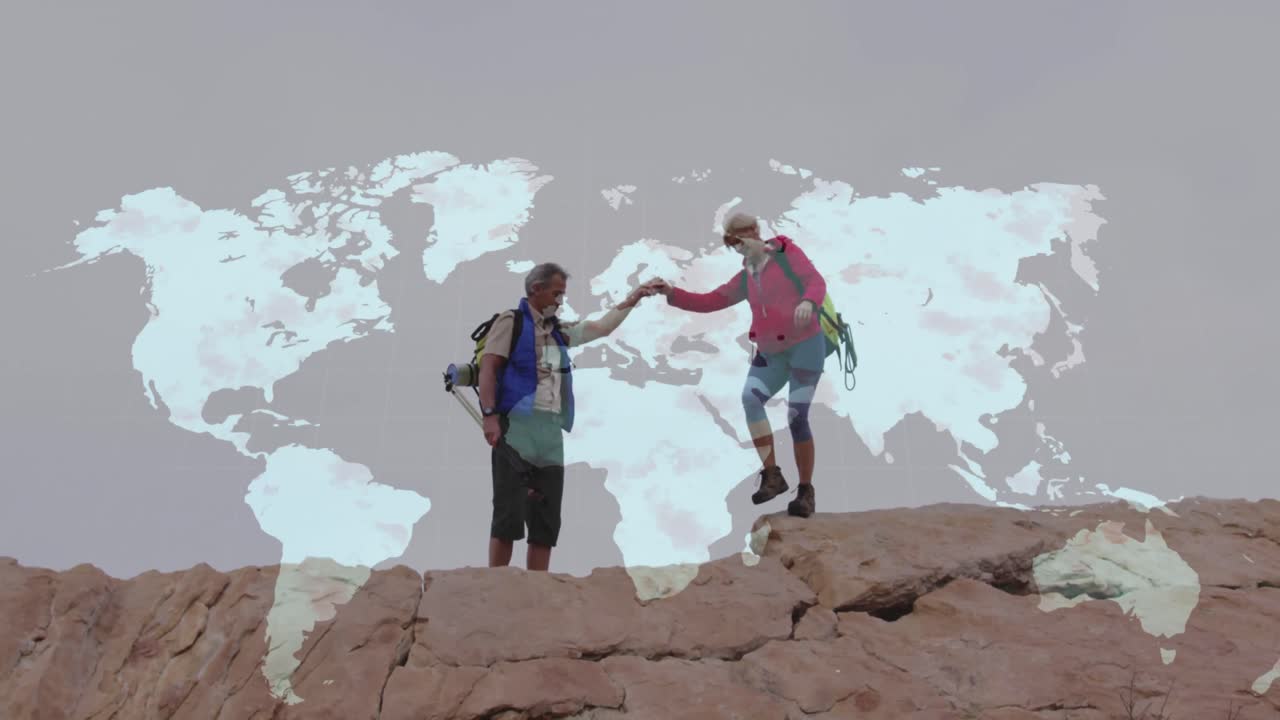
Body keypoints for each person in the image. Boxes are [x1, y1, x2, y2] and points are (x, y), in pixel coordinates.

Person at [645, 212, 828, 518]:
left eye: (742, 239)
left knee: (797, 416)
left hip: (805, 347)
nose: (739, 247)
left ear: (755, 231)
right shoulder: (747, 275)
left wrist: (809, 302)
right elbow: (711, 301)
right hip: (771, 352)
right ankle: (773, 476)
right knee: (750, 398)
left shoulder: (785, 253)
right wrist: (671, 292)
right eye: (733, 244)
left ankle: (805, 491)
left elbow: (815, 281)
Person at [477, 262, 656, 571]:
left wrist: (634, 298)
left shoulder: (558, 331)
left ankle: (538, 587)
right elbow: (489, 368)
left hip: (550, 430)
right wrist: (490, 416)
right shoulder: (512, 321)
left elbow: (601, 328)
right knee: (509, 509)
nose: (560, 301)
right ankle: (496, 582)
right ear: (536, 289)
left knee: (545, 516)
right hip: (516, 425)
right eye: (556, 293)